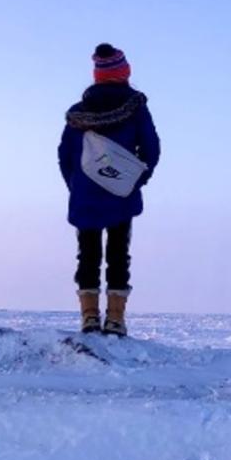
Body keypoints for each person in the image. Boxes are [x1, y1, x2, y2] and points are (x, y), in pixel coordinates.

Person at [57, 44, 161, 337]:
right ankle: (115, 320)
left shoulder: (78, 114)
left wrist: (76, 184)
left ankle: (89, 318)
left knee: (87, 254)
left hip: (85, 194)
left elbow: (65, 154)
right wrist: (135, 180)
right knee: (118, 254)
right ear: (124, 72)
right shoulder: (136, 107)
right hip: (120, 192)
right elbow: (151, 148)